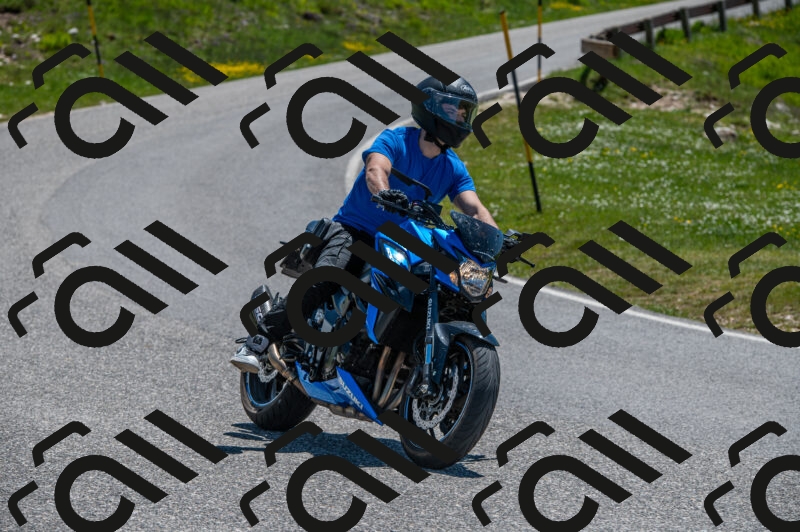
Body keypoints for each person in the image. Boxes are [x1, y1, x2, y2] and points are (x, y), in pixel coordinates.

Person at [231, 75, 497, 372]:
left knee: (438, 291)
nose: (460, 118)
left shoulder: (453, 167)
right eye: (454, 110)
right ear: (430, 107)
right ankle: (259, 342)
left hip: (406, 245)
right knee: (327, 276)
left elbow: (475, 209)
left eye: (464, 112)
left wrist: (494, 240)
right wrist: (384, 192)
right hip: (357, 231)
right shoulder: (395, 140)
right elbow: (375, 169)